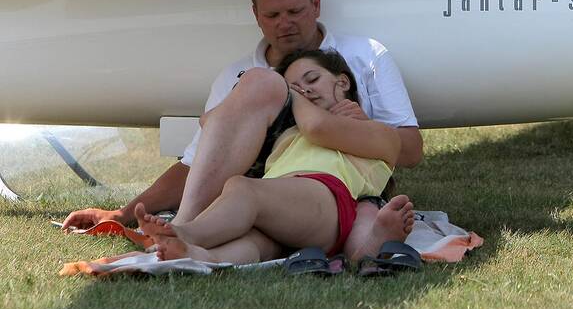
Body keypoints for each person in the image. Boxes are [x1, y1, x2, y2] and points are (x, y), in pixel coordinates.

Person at [62, 0, 422, 260]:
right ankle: (185, 241)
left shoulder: (366, 55)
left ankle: (187, 233)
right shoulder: (237, 76)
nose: (285, 23)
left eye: (295, 11)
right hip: (272, 188)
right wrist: (124, 212)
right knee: (254, 231)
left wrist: (359, 131)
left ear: (316, 4)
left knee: (253, 144)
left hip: (342, 190)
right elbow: (198, 164)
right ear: (256, 15)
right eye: (272, 15)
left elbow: (409, 149)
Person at [136, 49, 414, 263]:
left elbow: (318, 127)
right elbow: (211, 122)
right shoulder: (291, 132)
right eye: (295, 87)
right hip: (285, 208)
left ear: (342, 81)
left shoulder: (380, 133)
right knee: (255, 243)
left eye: (312, 79)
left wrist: (290, 95)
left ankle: (186, 232)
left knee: (242, 188)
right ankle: (200, 257)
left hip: (327, 198)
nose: (304, 90)